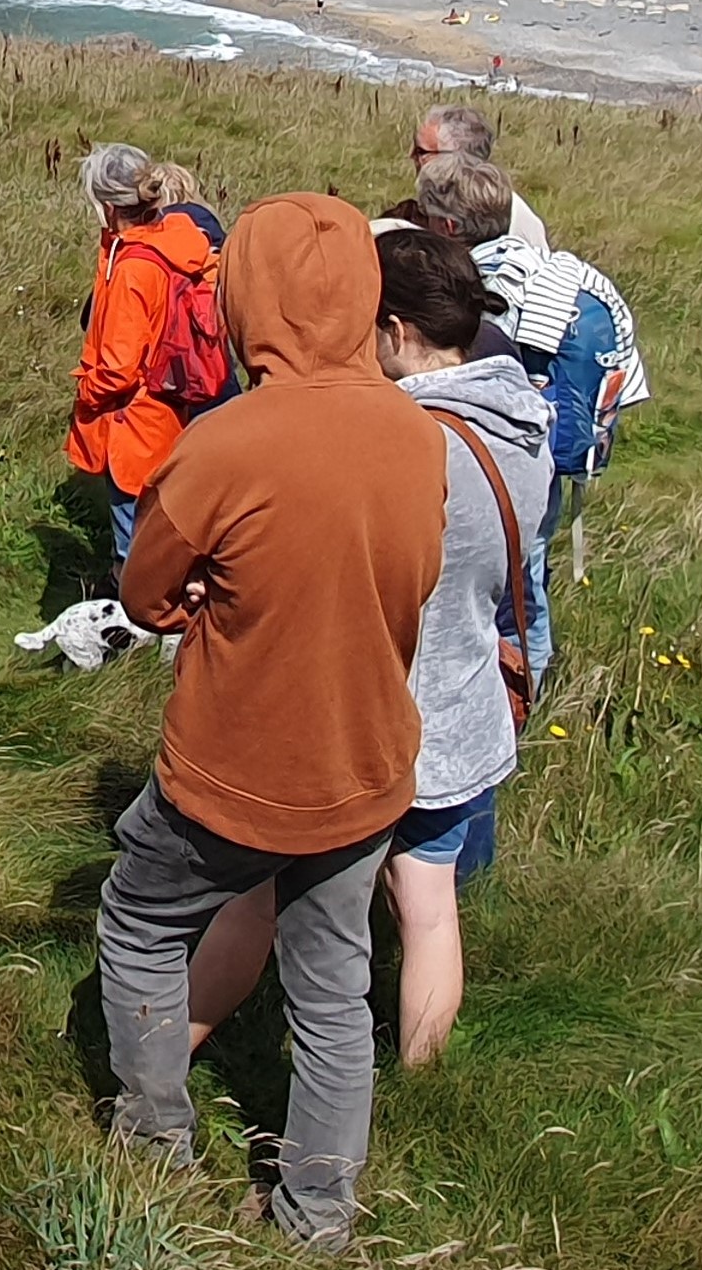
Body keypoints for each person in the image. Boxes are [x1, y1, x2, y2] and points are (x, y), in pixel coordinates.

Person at [94, 194, 446, 1251]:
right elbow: (411, 581)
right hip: (362, 757)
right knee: (332, 984)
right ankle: (316, 1213)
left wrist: (206, 592)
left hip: (229, 761)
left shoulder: (223, 443)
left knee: (138, 920)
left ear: (248, 292)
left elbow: (147, 589)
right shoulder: (415, 434)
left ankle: (154, 1136)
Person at [185, 225, 547, 1068]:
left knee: (258, 901)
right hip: (460, 702)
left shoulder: (405, 444)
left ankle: (165, 1053)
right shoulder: (521, 424)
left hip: (363, 712)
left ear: (390, 331)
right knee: (426, 910)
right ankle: (421, 1080)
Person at [411, 151, 649, 681]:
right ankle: (531, 685)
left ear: (449, 226)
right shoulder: (555, 273)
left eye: (425, 218)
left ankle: (519, 695)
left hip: (507, 456)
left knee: (512, 592)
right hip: (549, 446)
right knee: (529, 580)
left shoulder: (491, 288)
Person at [64, 144, 218, 577]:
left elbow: (118, 368)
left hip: (131, 426)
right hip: (167, 414)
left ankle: (140, 634)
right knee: (158, 537)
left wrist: (85, 391)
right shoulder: (170, 244)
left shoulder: (134, 266)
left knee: (134, 553)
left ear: (109, 208)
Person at [411, 105, 545, 252]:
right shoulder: (441, 199)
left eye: (421, 152)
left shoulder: (502, 212)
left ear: (456, 157)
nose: (413, 158)